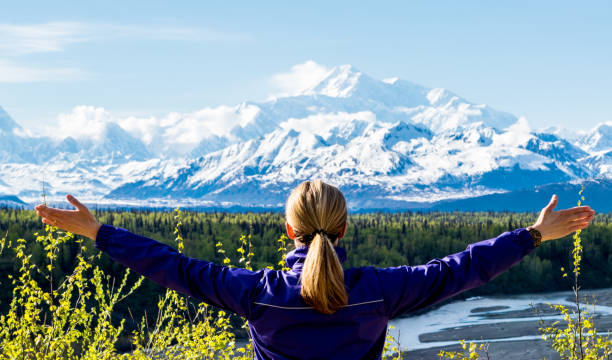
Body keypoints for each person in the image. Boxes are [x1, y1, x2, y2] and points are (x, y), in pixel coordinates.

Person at [35, 180, 595, 360]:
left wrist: (97, 232)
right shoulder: (378, 292)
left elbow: (172, 266)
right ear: (345, 229)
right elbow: (462, 269)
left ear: (289, 232)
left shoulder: (259, 294)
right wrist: (533, 235)